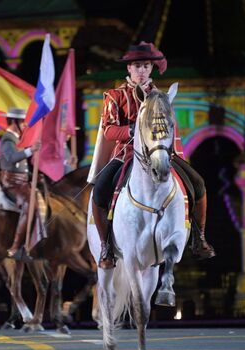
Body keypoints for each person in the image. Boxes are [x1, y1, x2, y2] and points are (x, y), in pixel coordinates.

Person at [88, 42, 215, 270]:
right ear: (129, 69)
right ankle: (106, 246)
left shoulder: (161, 96)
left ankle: (199, 237)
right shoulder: (115, 96)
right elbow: (108, 129)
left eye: (146, 66)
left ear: (151, 68)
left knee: (198, 184)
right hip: (127, 154)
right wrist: (131, 131)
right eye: (137, 66)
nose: (142, 71)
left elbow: (169, 125)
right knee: (99, 191)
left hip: (161, 153)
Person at [0, 107, 41, 260]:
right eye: (23, 122)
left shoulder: (17, 139)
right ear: (14, 122)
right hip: (12, 183)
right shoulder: (8, 139)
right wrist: (31, 150)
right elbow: (11, 158)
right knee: (30, 204)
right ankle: (15, 247)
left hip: (22, 180)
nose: (25, 125)